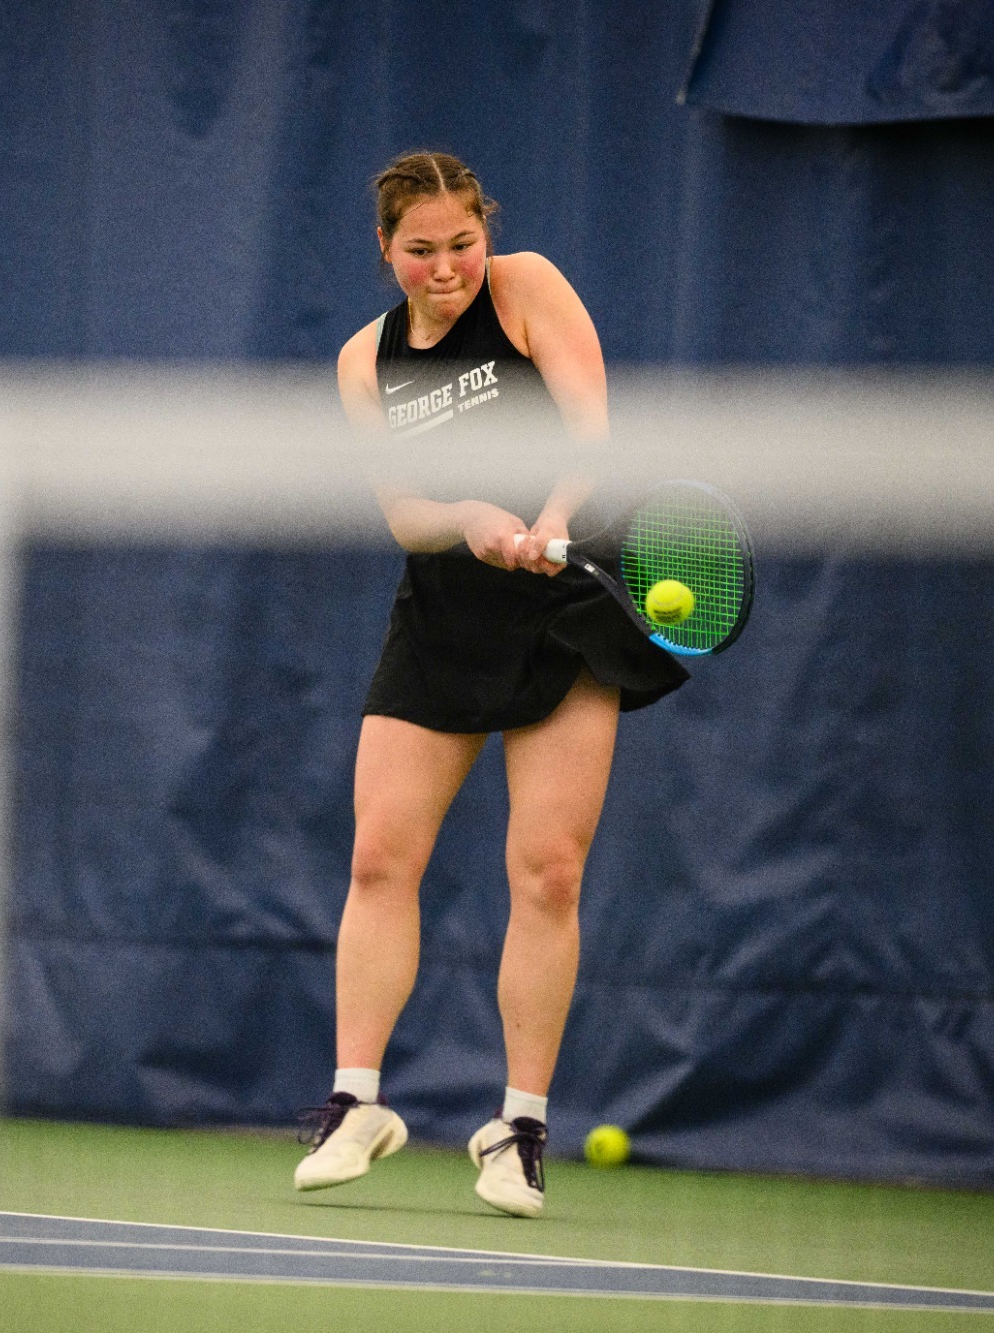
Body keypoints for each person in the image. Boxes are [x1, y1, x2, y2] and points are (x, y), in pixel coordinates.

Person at [294, 151, 687, 1218]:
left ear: (484, 232)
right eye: (419, 250)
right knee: (379, 854)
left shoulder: (525, 287)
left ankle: (517, 1129)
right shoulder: (363, 360)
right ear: (384, 251)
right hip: (445, 614)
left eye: (459, 243)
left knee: (547, 870)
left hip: (564, 609)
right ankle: (354, 1102)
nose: (445, 268)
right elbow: (403, 515)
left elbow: (591, 432)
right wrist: (469, 516)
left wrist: (554, 516)